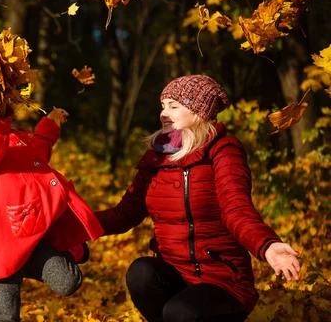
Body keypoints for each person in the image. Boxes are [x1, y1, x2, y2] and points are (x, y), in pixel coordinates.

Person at [95, 75, 300, 322]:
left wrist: (268, 245)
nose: (163, 113)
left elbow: (236, 209)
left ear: (199, 112)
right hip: (177, 276)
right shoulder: (157, 158)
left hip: (223, 283)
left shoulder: (223, 151)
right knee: (141, 272)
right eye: (163, 106)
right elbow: (123, 214)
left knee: (181, 312)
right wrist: (73, 225)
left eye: (174, 106)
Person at [0, 105, 104, 322]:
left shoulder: (8, 134)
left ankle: (66, 245)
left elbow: (36, 156)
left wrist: (49, 126)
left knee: (69, 281)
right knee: (5, 315)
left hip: (29, 234)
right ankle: (61, 245)